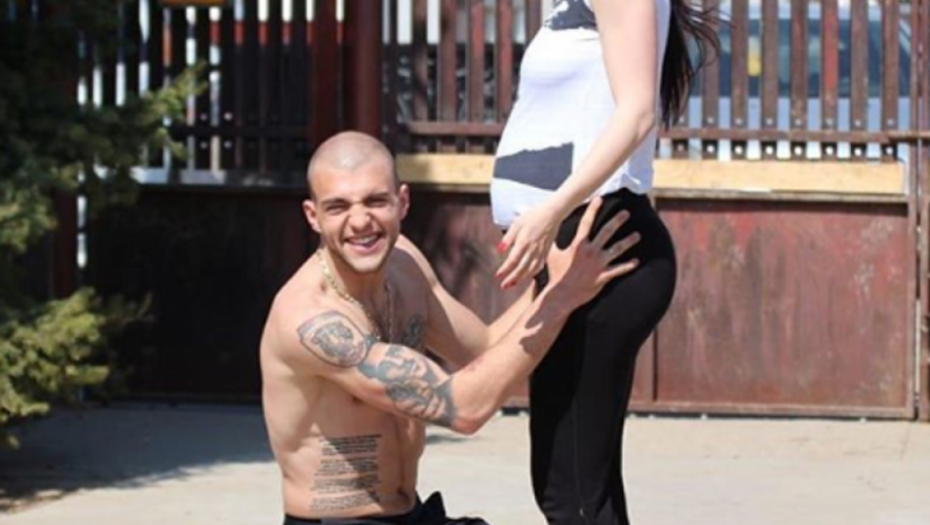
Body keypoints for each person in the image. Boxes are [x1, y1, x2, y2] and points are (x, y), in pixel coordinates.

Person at [259, 131, 641, 525]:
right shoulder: (310, 319)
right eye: (338, 207)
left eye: (375, 201)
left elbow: (483, 348)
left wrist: (553, 281)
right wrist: (560, 298)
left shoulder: (404, 264)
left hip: (411, 513)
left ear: (402, 201)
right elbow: (465, 408)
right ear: (313, 216)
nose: (360, 222)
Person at [490, 1, 719, 524]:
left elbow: (637, 113)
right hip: (582, 247)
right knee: (581, 491)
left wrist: (552, 210)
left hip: (599, 244)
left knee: (571, 494)